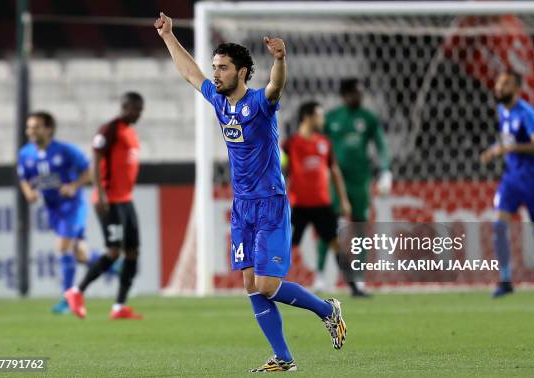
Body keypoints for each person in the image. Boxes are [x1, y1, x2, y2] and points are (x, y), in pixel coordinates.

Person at [155, 12, 346, 372]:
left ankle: (328, 309)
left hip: (270, 202)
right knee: (249, 284)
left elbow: (276, 87)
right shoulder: (219, 101)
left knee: (268, 284)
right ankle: (283, 358)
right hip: (242, 206)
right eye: (215, 66)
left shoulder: (259, 103)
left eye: (223, 68)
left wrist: (280, 60)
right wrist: (168, 37)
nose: (215, 73)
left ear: (241, 72)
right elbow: (190, 73)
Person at [480, 70, 534, 298]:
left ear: (517, 89)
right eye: (498, 83)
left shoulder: (527, 113)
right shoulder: (501, 111)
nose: (499, 88)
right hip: (512, 179)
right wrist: (494, 151)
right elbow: (508, 140)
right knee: (498, 225)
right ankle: (505, 280)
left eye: (505, 84)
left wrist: (512, 148)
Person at [66, 92, 145, 319]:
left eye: (140, 110)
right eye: (134, 109)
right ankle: (76, 292)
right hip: (109, 201)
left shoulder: (130, 133)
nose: (137, 114)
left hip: (126, 200)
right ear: (124, 107)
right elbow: (96, 158)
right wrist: (100, 193)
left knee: (132, 252)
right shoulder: (109, 129)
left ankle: (119, 306)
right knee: (113, 251)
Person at [282, 100, 367, 296]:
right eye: (319, 115)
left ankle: (354, 287)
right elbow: (281, 171)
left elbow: (334, 171)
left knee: (336, 243)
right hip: (299, 206)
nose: (322, 119)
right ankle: (267, 283)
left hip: (322, 205)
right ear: (308, 117)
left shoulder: (324, 143)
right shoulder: (291, 144)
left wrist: (344, 199)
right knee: (286, 244)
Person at [317, 78, 392, 293]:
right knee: (329, 227)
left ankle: (358, 278)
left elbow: (381, 145)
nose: (360, 97)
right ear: (344, 95)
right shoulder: (331, 119)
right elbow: (318, 146)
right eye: (355, 93)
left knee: (359, 228)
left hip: (360, 182)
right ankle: (320, 275)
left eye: (361, 92)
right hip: (335, 182)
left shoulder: (368, 118)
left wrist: (385, 171)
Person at [17, 111, 97, 314]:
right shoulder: (26, 154)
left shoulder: (66, 151)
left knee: (62, 247)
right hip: (52, 208)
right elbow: (24, 177)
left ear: (49, 129)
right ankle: (111, 263)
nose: (31, 131)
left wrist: (74, 185)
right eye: (29, 127)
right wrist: (29, 193)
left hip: (72, 206)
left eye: (35, 127)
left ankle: (67, 299)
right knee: (81, 255)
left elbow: (89, 171)